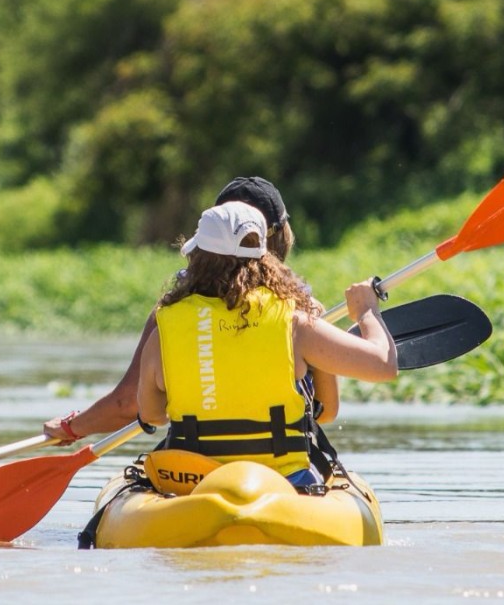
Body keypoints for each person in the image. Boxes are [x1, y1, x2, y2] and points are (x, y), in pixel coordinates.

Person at [44, 177, 346, 442]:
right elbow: (326, 411)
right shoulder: (302, 310)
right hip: (282, 466)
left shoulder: (174, 311)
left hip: (195, 464)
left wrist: (73, 427)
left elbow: (129, 404)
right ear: (279, 235)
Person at [135, 201, 397, 487]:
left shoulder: (165, 330)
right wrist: (366, 311)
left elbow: (152, 414)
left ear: (197, 257)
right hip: (282, 482)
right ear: (264, 258)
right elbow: (383, 365)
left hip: (193, 485)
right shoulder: (294, 323)